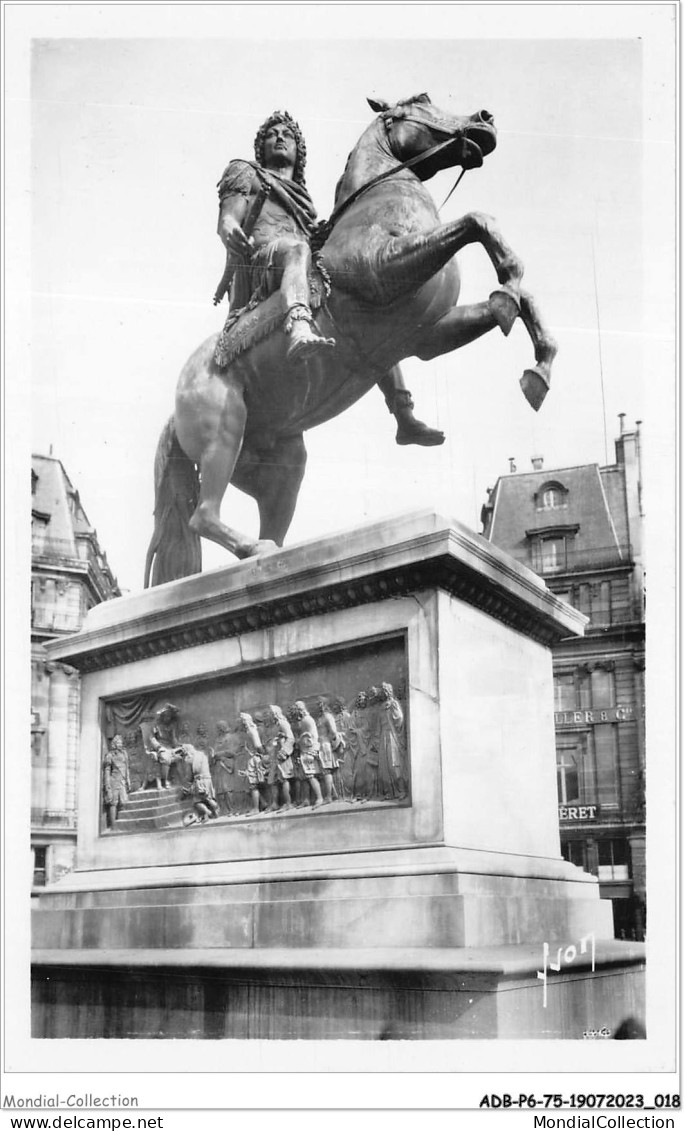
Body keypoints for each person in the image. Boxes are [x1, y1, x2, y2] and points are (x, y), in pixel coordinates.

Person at [216, 110, 444, 445]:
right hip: (261, 268)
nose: (280, 137)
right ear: (260, 146)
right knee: (296, 249)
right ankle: (299, 326)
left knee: (369, 306)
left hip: (297, 268)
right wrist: (230, 228)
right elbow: (228, 219)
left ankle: (403, 414)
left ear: (299, 151)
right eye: (272, 134)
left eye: (288, 135)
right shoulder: (245, 172)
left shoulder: (305, 203)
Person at [179, 743, 220, 825]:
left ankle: (208, 813)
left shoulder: (189, 759)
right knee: (209, 798)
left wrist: (186, 786)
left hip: (199, 781)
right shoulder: (202, 755)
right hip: (208, 779)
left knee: (196, 801)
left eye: (183, 751)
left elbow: (189, 776)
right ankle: (217, 809)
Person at [103, 734, 131, 829]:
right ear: (114, 744)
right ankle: (113, 826)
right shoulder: (110, 755)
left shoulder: (124, 753)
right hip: (114, 780)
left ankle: (122, 824)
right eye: (118, 742)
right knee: (113, 803)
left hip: (123, 780)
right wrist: (107, 785)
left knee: (124, 801)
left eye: (121, 742)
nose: (120, 744)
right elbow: (107, 771)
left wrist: (128, 780)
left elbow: (127, 767)